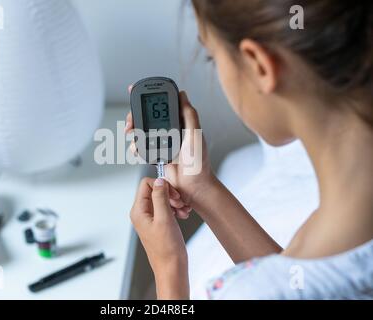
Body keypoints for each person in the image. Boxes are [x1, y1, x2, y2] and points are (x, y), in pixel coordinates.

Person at [125, 0, 373, 299]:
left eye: (212, 58)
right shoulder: (347, 214)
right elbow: (295, 278)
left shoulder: (250, 292)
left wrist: (169, 269)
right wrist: (201, 188)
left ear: (259, 65)